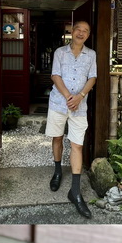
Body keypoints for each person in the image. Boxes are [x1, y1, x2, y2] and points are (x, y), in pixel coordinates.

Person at [45, 20, 97, 218]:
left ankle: (75, 191)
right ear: (72, 31)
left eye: (86, 31)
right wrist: (69, 96)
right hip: (59, 102)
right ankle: (58, 171)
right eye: (78, 29)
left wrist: (80, 96)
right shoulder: (60, 52)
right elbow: (55, 76)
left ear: (88, 35)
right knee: (57, 138)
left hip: (80, 106)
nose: (81, 33)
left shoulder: (91, 55)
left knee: (77, 145)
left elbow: (92, 77)